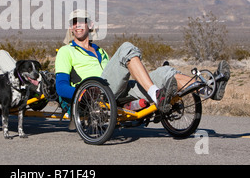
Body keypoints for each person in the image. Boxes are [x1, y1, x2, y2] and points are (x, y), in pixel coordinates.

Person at [55, 9, 230, 113]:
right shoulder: (66, 51)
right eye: (74, 22)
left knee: (165, 73)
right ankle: (156, 94)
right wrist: (82, 94)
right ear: (71, 27)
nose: (77, 25)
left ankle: (208, 89)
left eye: (82, 22)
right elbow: (61, 86)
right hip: (96, 92)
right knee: (125, 48)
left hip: (118, 89)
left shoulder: (100, 51)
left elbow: (117, 75)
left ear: (90, 25)